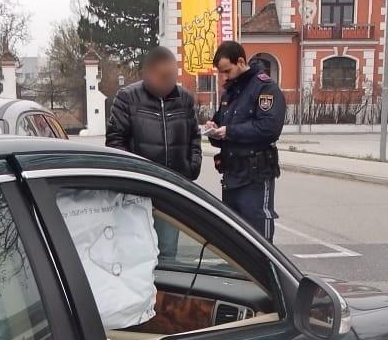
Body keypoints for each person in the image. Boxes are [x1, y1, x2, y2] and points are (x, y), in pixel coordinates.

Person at [107, 46, 201, 259]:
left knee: (167, 254)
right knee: (137, 256)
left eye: (172, 76)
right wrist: (133, 177)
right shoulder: (128, 98)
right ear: (148, 74)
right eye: (163, 77)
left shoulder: (184, 99)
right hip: (138, 194)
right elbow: (115, 143)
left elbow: (194, 137)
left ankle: (166, 293)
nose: (168, 82)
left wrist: (191, 167)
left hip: (172, 191)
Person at [205, 41, 285, 241]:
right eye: (221, 73)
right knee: (234, 235)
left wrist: (229, 132)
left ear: (240, 61)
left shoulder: (264, 88)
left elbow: (269, 128)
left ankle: (265, 270)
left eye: (227, 71)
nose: (224, 77)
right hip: (232, 173)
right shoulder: (230, 92)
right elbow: (221, 122)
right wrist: (213, 129)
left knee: (257, 234)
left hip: (255, 174)